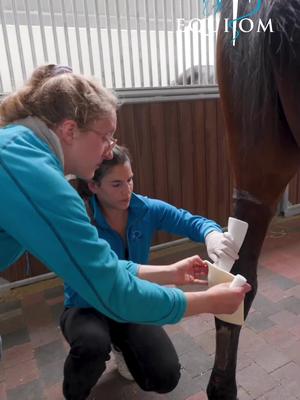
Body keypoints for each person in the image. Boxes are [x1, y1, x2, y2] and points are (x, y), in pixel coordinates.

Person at [0, 65, 250, 399]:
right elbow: (112, 288)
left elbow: (105, 268)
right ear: (70, 130)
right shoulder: (40, 179)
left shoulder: (22, 152)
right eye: (105, 137)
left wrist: (175, 267)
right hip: (94, 303)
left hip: (118, 296)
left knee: (164, 372)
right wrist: (208, 301)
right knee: (91, 342)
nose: (109, 148)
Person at [61, 144, 242, 399]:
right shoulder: (80, 220)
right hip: (86, 305)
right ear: (93, 186)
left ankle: (122, 345)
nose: (127, 191)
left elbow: (189, 220)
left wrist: (211, 234)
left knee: (166, 376)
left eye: (130, 180)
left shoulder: (145, 209)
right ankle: (74, 392)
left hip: (129, 298)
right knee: (91, 344)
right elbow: (108, 271)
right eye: (116, 184)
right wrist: (171, 274)